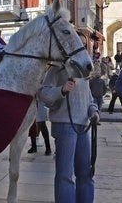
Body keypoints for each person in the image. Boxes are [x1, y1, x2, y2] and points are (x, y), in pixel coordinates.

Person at [38, 32, 100, 203]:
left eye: (82, 44)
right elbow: (43, 93)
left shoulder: (83, 70)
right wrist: (61, 90)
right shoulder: (57, 69)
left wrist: (93, 111)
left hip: (82, 125)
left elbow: (88, 99)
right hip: (64, 125)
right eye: (76, 43)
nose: (80, 47)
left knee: (85, 173)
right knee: (65, 174)